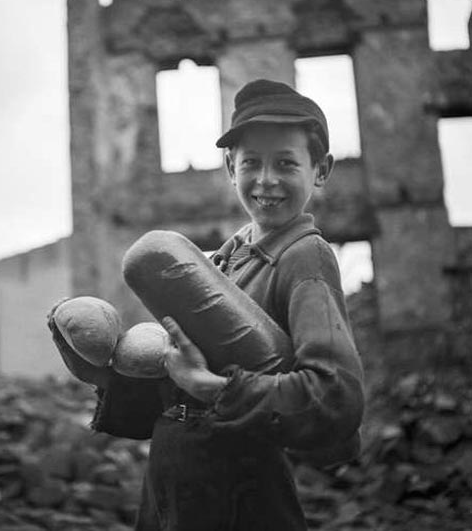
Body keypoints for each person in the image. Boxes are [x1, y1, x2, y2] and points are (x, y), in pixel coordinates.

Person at [48, 78, 365, 531]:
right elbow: (177, 396)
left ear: (321, 170)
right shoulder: (219, 262)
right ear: (229, 166)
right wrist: (103, 372)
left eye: (286, 163)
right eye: (251, 162)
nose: (267, 179)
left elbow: (335, 398)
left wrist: (211, 389)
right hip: (174, 486)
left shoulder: (304, 258)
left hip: (239, 496)